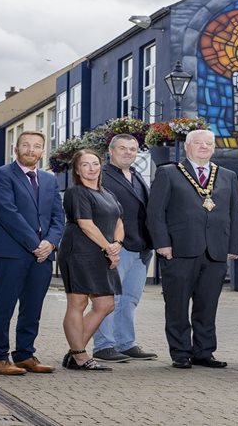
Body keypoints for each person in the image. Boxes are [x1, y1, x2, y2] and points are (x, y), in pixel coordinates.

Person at [147, 129, 238, 369]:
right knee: (177, 304)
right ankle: (180, 352)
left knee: (207, 305)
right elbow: (156, 213)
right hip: (179, 250)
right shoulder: (168, 173)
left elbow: (233, 213)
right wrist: (162, 244)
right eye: (197, 143)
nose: (203, 147)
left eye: (208, 143)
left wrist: (233, 246)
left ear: (214, 148)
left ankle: (204, 352)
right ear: (187, 147)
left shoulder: (227, 175)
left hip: (216, 251)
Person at [0, 131, 64, 376]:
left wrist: (50, 243)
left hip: (42, 255)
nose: (31, 150)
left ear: (43, 151)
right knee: (3, 306)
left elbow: (58, 217)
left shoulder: (49, 180)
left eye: (37, 146)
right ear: (16, 148)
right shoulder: (1, 175)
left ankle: (25, 355)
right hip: (12, 253)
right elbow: (8, 214)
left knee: (32, 308)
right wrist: (35, 244)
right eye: (26, 145)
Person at [91, 135, 157, 363]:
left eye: (133, 149)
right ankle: (104, 345)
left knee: (130, 298)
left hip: (142, 247)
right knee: (111, 299)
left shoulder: (137, 176)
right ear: (111, 151)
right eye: (123, 148)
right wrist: (107, 244)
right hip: (116, 247)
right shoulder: (102, 176)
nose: (128, 152)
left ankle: (125, 342)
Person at [58, 148, 125, 371]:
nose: (91, 169)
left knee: (106, 304)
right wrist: (109, 249)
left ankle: (75, 351)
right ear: (77, 169)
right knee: (78, 302)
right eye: (85, 165)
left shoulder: (107, 194)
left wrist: (117, 245)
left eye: (95, 163)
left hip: (104, 251)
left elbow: (118, 221)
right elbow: (86, 225)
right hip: (79, 251)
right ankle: (79, 355)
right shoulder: (76, 192)